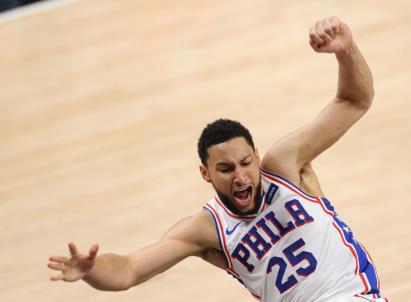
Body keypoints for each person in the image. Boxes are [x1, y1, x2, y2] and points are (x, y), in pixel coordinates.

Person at [48, 16, 388, 302]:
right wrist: (91, 271)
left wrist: (346, 50)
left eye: (245, 163)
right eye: (225, 169)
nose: (240, 176)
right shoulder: (207, 229)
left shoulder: (285, 165)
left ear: (256, 157)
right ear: (205, 173)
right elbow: (129, 269)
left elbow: (353, 101)